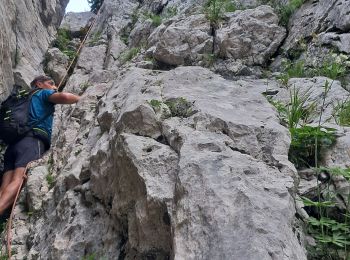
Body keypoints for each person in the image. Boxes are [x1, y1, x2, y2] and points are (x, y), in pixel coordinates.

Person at [0, 75, 80, 216]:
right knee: (18, 181)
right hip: (31, 142)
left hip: (12, 147)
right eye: (51, 83)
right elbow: (66, 98)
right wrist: (82, 99)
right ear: (39, 84)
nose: (54, 87)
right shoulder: (42, 93)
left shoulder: (24, 99)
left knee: (4, 188)